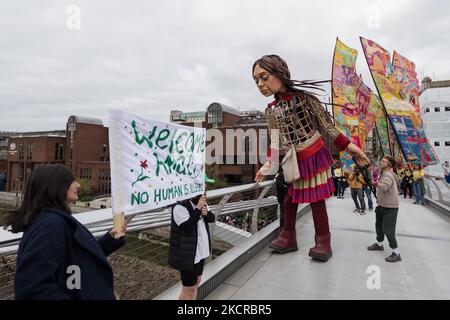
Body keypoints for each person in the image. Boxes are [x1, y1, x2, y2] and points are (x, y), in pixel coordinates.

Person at [253, 55, 369, 261]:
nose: (260, 84)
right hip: (292, 158)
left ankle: (323, 242)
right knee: (290, 199)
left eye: (264, 77)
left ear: (280, 73)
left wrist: (352, 148)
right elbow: (275, 142)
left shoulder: (305, 99)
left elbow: (328, 127)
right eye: (256, 80)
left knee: (316, 199)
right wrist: (269, 164)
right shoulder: (271, 110)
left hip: (313, 153)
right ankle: (288, 237)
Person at [3, 164, 126, 299]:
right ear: (57, 187)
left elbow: (76, 257)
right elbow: (33, 289)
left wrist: (110, 240)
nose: (78, 185)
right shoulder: (49, 227)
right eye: (72, 181)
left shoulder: (52, 221)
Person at [168, 194, 215, 300]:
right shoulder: (179, 206)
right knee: (188, 289)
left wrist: (206, 213)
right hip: (188, 254)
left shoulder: (201, 201)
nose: (203, 192)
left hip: (201, 250)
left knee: (196, 283)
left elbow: (212, 218)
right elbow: (187, 227)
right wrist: (198, 209)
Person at [367, 156, 401, 263]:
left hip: (390, 207)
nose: (381, 162)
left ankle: (396, 252)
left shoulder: (388, 175)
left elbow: (385, 187)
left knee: (388, 230)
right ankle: (379, 244)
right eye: (381, 160)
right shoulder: (385, 173)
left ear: (389, 165)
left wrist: (375, 183)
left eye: (383, 161)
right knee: (379, 226)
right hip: (382, 205)